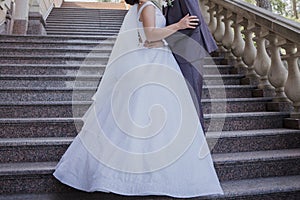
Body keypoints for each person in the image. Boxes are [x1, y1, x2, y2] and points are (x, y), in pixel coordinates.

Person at [53, 0, 223, 198]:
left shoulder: (146, 6)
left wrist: (160, 40)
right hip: (150, 65)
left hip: (155, 60)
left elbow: (147, 39)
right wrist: (179, 25)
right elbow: (150, 34)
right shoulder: (147, 5)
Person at [163, 0, 218, 130]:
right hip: (183, 51)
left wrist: (169, 36)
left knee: (192, 101)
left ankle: (198, 145)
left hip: (188, 51)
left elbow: (194, 21)